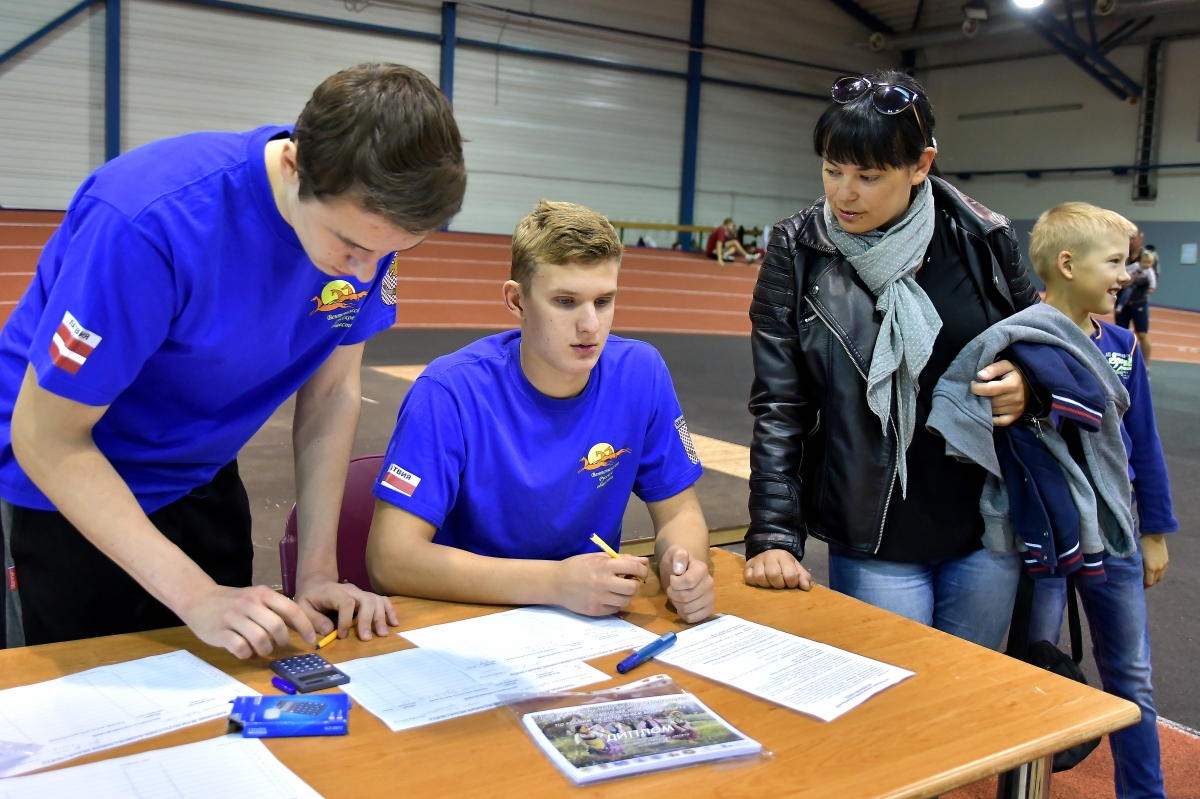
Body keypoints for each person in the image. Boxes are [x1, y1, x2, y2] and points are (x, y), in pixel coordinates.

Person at [0, 63, 467, 658]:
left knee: (222, 678)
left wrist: (317, 573)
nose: (366, 271)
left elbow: (330, 395)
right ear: (294, 166)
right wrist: (195, 594)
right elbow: (46, 436)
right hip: (64, 485)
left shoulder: (370, 228)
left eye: (395, 250)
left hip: (201, 473)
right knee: (86, 698)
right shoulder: (148, 223)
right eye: (351, 245)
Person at [742, 70, 1041, 650]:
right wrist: (775, 534)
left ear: (920, 166)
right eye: (833, 170)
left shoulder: (983, 237)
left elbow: (1039, 343)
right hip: (875, 537)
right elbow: (780, 405)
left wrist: (1029, 384)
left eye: (868, 176)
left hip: (987, 528)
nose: (844, 194)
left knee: (971, 693)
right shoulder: (798, 250)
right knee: (894, 694)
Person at [364, 200, 715, 623]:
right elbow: (390, 559)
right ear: (517, 301)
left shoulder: (642, 373)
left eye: (604, 301)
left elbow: (679, 513)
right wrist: (554, 583)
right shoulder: (448, 392)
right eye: (565, 301)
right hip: (466, 623)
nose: (590, 325)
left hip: (591, 623)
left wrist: (685, 564)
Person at [1028, 202, 1176, 799]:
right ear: (1067, 264)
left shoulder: (1121, 344)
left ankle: (1144, 793)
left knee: (1132, 677)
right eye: (1115, 262)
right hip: (1042, 537)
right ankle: (1026, 785)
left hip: (1114, 536)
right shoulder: (1020, 333)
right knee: (1033, 668)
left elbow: (1145, 442)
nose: (1125, 276)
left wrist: (1154, 532)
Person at [1115, 248, 1158, 364]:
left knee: (1142, 334)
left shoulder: (1149, 271)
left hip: (1139, 302)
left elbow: (1152, 282)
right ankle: (1122, 363)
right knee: (1121, 333)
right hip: (1123, 302)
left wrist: (1149, 288)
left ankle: (1146, 365)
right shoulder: (1132, 264)